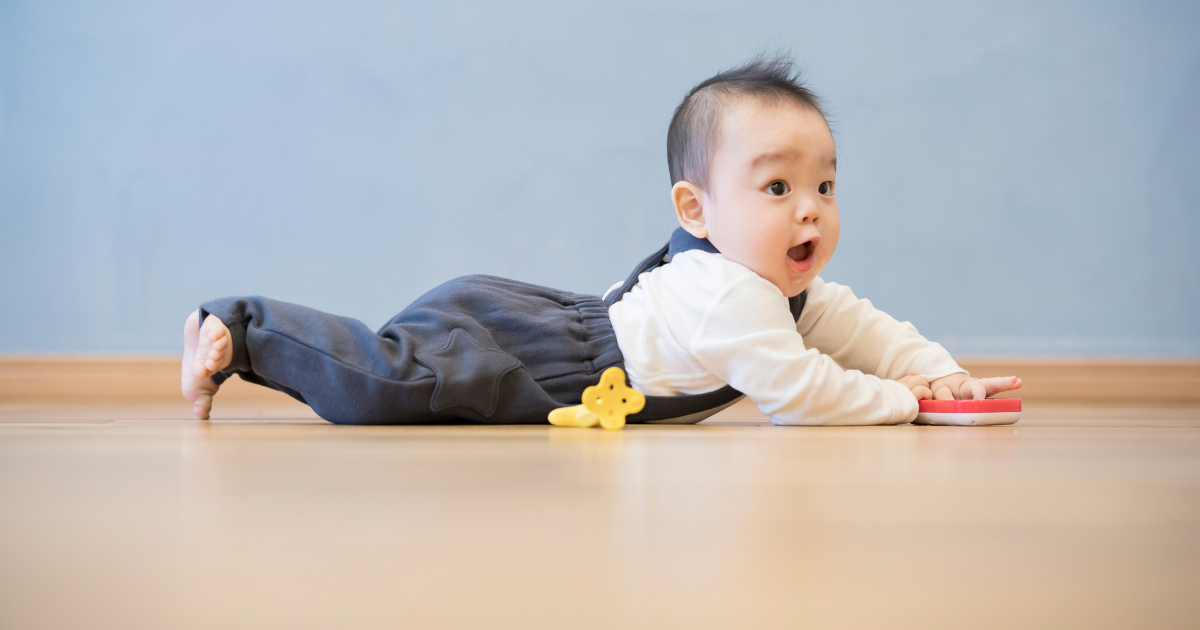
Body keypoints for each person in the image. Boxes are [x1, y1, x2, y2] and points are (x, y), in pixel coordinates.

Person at [181, 55, 1021, 425]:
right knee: (379, 387)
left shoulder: (779, 291)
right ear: (695, 211)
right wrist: (905, 403)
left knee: (392, 376)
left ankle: (245, 337)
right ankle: (239, 329)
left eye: (825, 187)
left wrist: (940, 373)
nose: (810, 210)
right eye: (777, 187)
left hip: (552, 336)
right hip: (523, 352)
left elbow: (863, 331)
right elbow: (798, 395)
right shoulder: (726, 293)